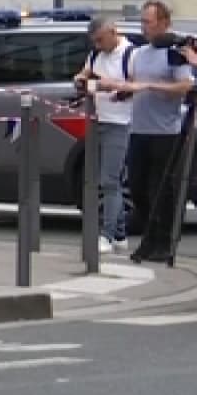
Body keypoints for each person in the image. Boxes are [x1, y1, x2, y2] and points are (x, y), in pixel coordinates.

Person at [107, 0, 194, 263]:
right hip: (139, 129)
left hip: (165, 132)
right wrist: (122, 92)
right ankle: (150, 234)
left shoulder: (174, 54)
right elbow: (135, 83)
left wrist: (151, 87)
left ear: (164, 23)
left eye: (149, 22)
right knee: (137, 187)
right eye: (142, 21)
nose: (144, 27)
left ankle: (162, 241)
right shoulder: (139, 53)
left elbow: (185, 86)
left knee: (161, 188)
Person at [73, 16, 137, 254]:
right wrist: (81, 80)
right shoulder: (96, 55)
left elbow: (136, 86)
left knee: (109, 181)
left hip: (121, 122)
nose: (98, 46)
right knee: (110, 181)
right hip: (99, 119)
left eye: (100, 40)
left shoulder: (131, 54)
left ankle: (108, 235)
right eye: (94, 42)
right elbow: (84, 73)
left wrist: (111, 86)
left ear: (113, 32)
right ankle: (119, 234)